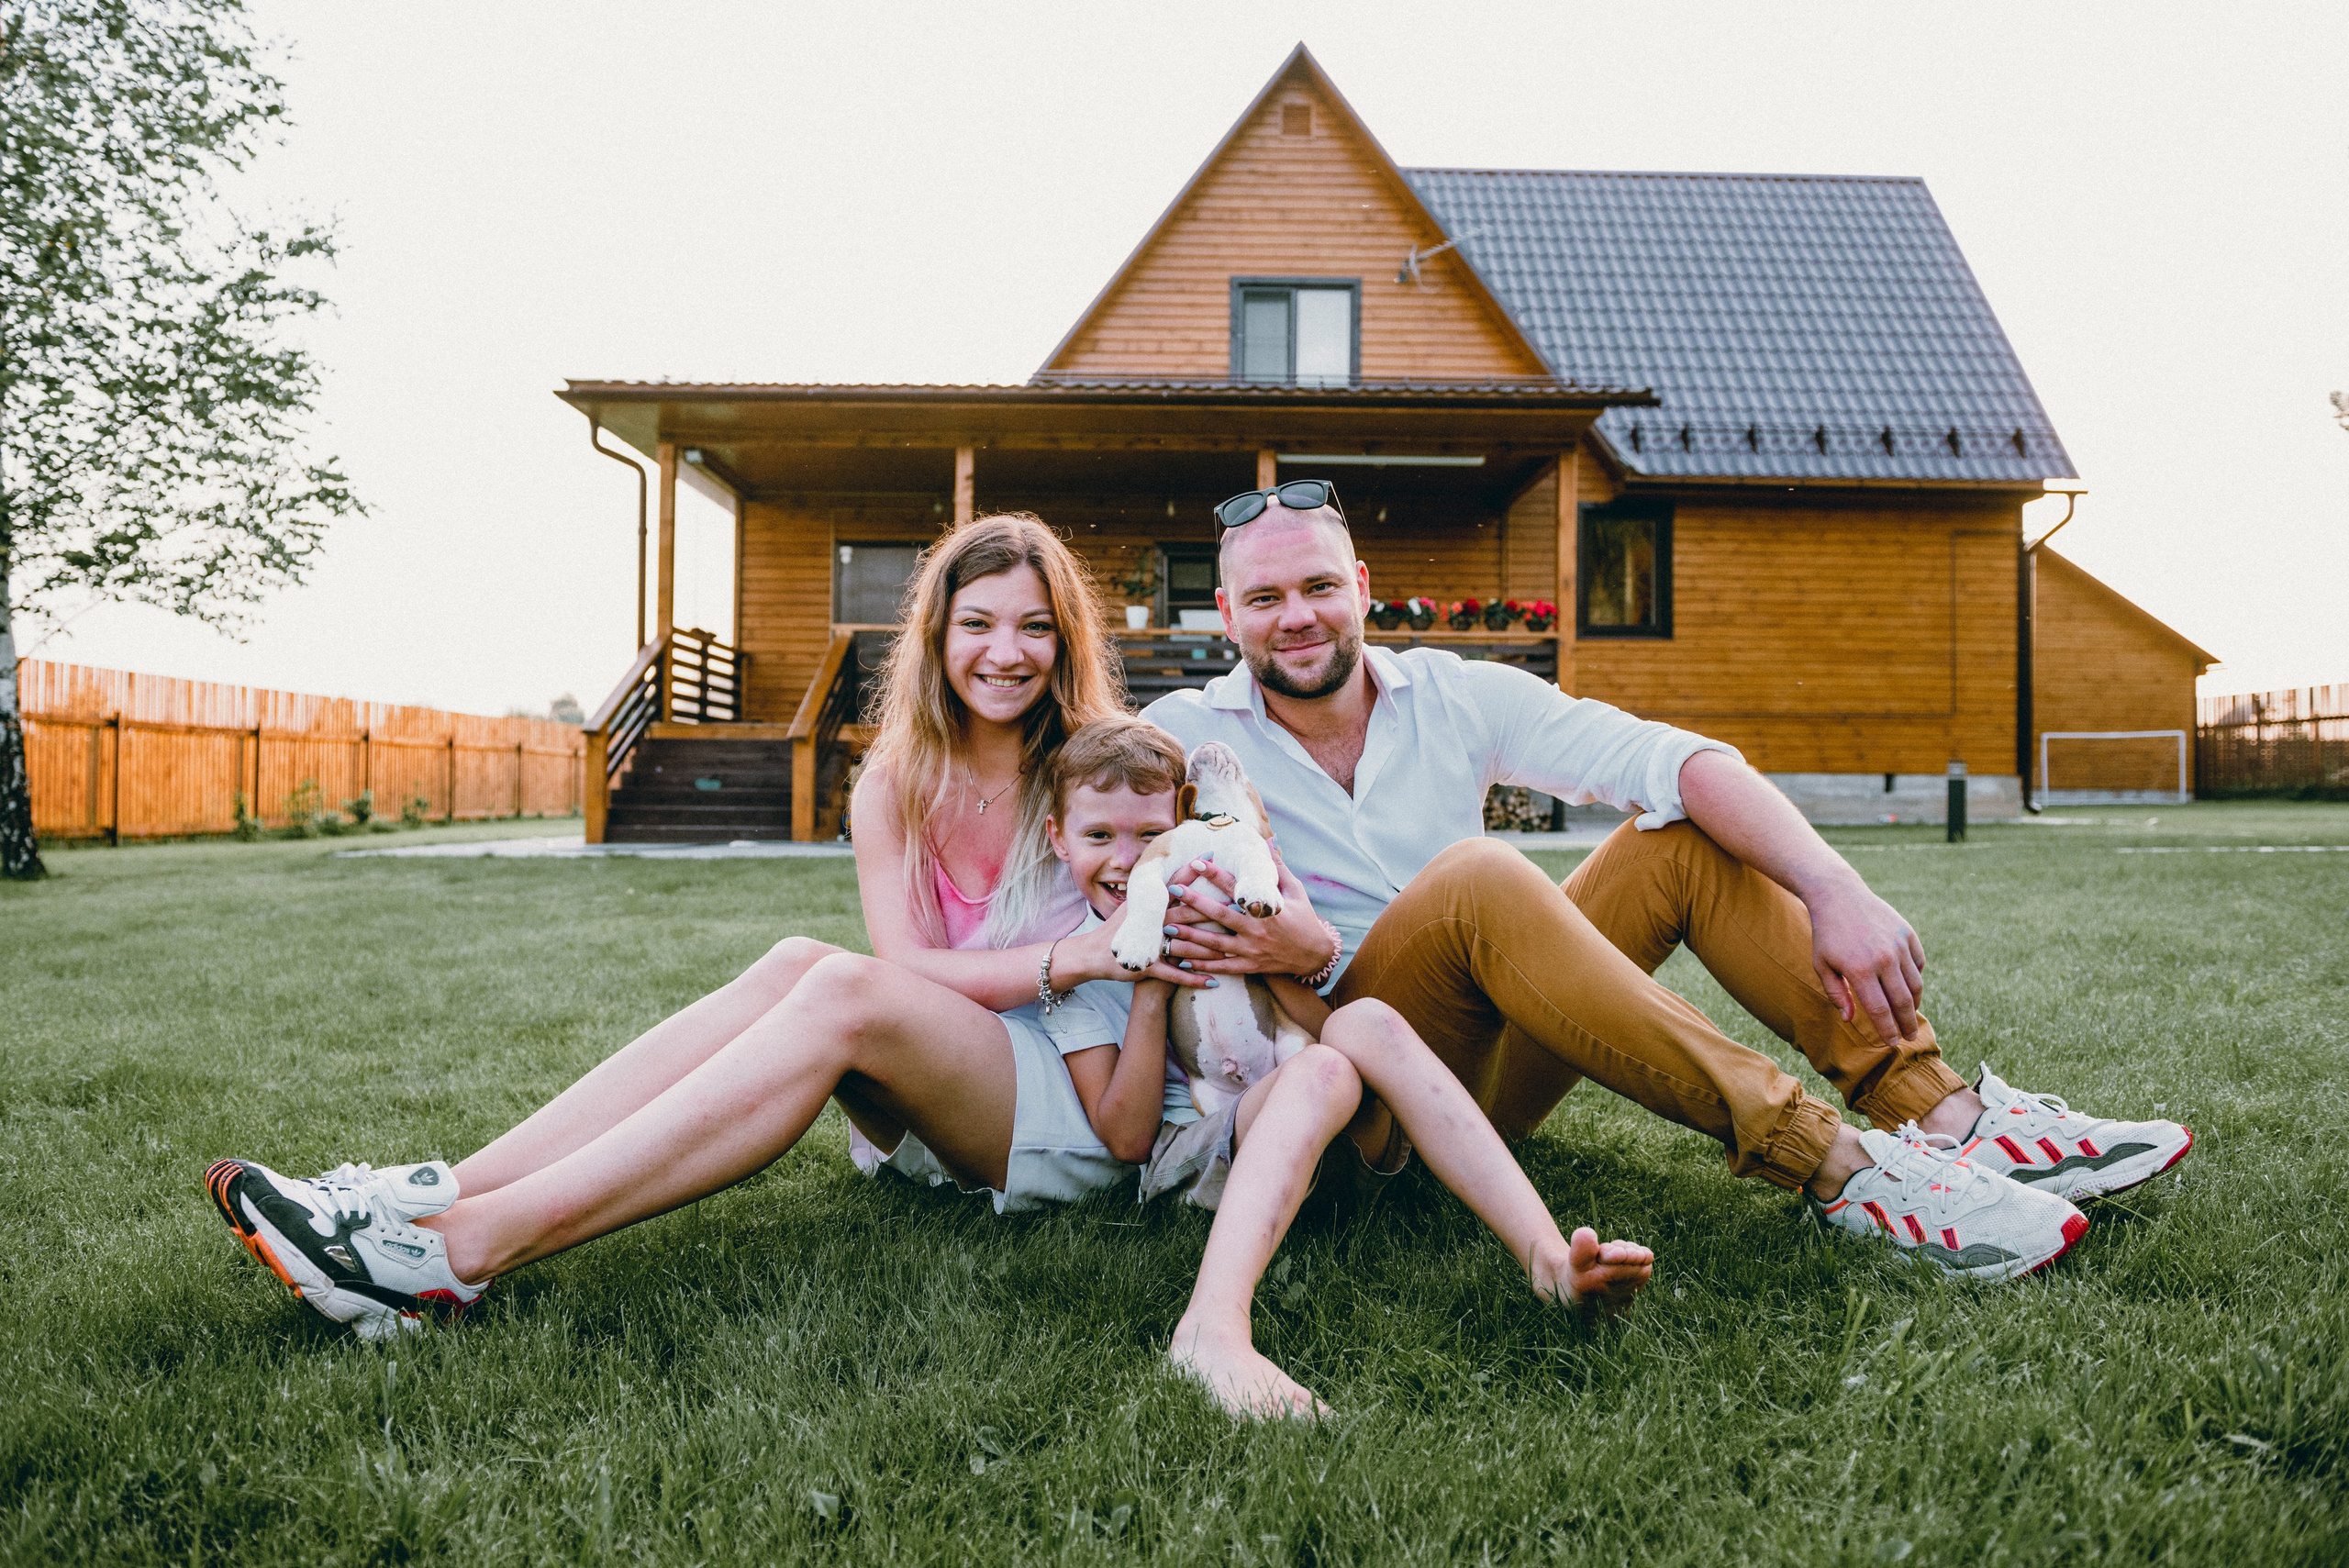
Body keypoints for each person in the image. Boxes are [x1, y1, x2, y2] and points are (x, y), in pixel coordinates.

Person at [1139, 479, 2194, 1283]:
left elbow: (1674, 758)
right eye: (1264, 596)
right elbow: (1075, 843)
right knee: (1477, 878)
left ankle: (1944, 1116)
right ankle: (1842, 1167)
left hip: (1480, 1077)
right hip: (1341, 1104)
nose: (1297, 615)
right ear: (1226, 615)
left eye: (1319, 585)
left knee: (1673, 837)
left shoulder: (1450, 694)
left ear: (1360, 589)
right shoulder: (1183, 737)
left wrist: (1832, 884)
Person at [204, 513, 1214, 1339]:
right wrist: (1066, 953)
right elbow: (914, 964)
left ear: (1065, 639)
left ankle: (457, 1253)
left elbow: (1191, 867)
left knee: (842, 986)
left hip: (1085, 1100)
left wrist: (1100, 954)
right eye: (978, 623)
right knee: (796, 961)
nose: (1006, 652)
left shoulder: (1100, 766)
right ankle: (420, 1199)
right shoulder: (898, 781)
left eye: (1035, 626)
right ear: (938, 638)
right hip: (968, 1086)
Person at [1026, 716, 1654, 1418]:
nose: (1126, 858)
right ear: (1059, 837)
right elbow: (1127, 1139)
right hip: (1192, 1153)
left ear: (1183, 822)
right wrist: (1149, 990)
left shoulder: (1223, 896)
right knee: (1322, 1074)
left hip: (1312, 1131)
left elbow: (1328, 1037)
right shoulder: (1074, 960)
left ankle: (1545, 1256)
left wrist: (1268, 958)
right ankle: (1209, 1330)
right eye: (1098, 836)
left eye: (1148, 836)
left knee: (1366, 1022)